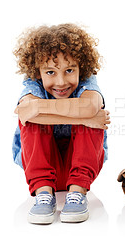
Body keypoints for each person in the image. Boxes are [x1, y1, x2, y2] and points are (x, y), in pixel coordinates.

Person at [12, 23, 110, 224]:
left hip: (82, 168)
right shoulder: (32, 84)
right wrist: (87, 117)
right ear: (37, 72)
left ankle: (77, 193)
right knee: (31, 123)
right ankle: (43, 194)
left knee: (91, 117)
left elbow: (90, 106)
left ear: (80, 68)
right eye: (50, 72)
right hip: (40, 170)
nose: (61, 82)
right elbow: (25, 114)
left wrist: (38, 109)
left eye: (69, 70)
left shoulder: (87, 82)